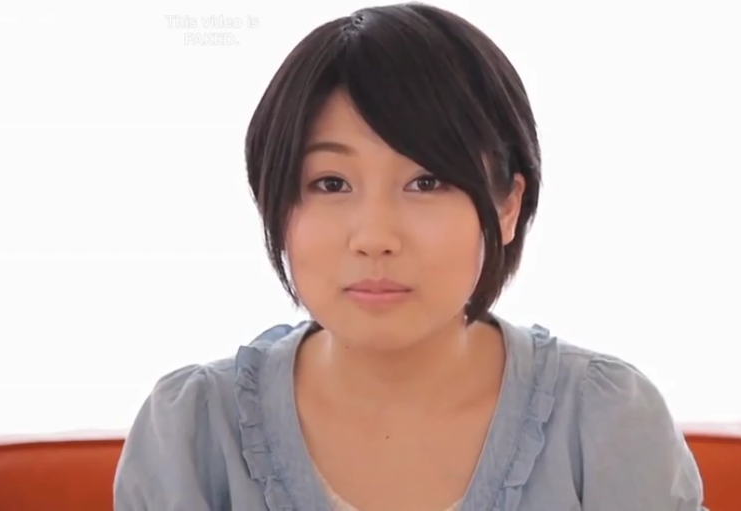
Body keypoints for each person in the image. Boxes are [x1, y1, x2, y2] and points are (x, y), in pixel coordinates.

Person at [113, 3, 706, 510]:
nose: (375, 236)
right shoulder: (191, 437)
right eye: (330, 183)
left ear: (506, 205)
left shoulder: (605, 424)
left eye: (426, 182)